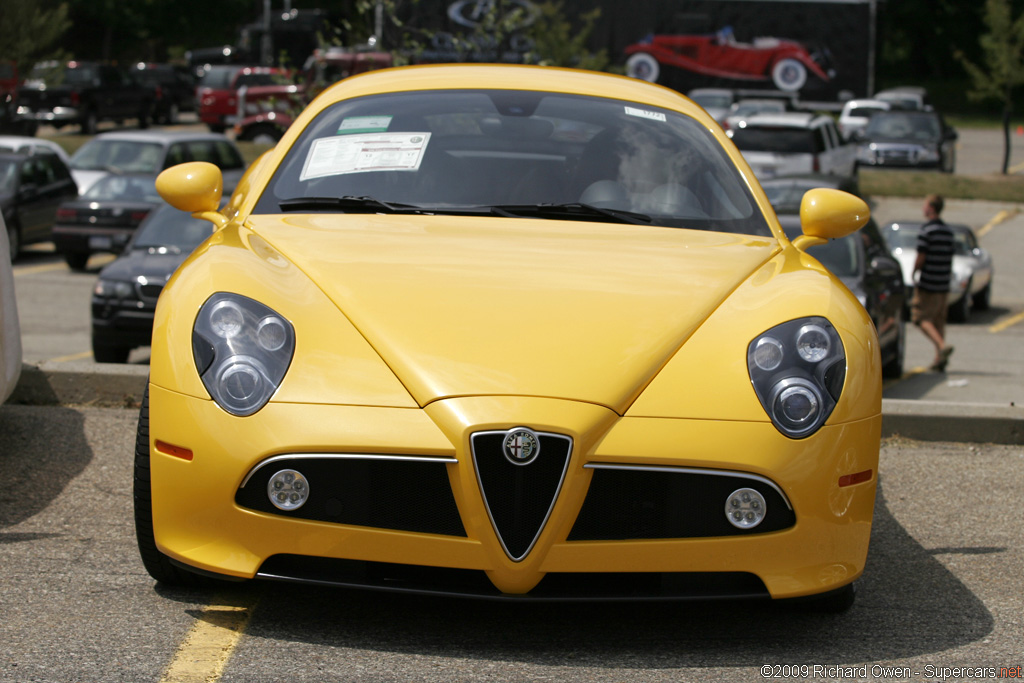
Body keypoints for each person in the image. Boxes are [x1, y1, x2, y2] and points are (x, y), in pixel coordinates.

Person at [911, 194, 955, 371]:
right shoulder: (948, 232)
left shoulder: (927, 230)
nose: (923, 208)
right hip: (943, 283)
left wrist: (914, 272)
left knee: (920, 318)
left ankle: (942, 346)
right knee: (938, 321)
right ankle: (939, 359)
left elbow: (922, 256)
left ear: (931, 208)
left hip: (928, 283)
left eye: (925, 205)